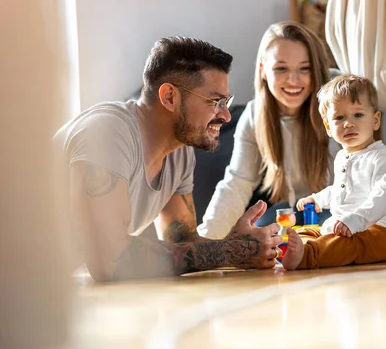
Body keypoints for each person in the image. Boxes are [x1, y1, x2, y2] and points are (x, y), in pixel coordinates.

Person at [197, 21, 386, 258]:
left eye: (304, 69)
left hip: (340, 210)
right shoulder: (255, 115)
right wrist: (206, 241)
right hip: (291, 209)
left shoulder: (338, 111)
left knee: (336, 236)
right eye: (281, 68)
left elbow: (380, 181)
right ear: (264, 70)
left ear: (317, 69)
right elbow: (237, 184)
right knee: (261, 236)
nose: (293, 80)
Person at [53, 37, 283, 282]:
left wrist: (241, 248)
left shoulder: (179, 149)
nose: (226, 116)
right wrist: (230, 250)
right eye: (215, 102)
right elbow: (110, 262)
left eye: (226, 102)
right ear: (169, 97)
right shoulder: (107, 132)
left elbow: (182, 242)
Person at [283, 74, 386, 269]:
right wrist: (318, 199)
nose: (348, 123)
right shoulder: (342, 156)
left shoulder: (383, 157)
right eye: (339, 118)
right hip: (348, 226)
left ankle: (307, 256)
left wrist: (356, 220)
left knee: (345, 244)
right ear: (328, 128)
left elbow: (384, 195)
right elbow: (340, 190)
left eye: (358, 115)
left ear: (375, 120)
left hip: (382, 233)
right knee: (309, 231)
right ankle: (300, 248)